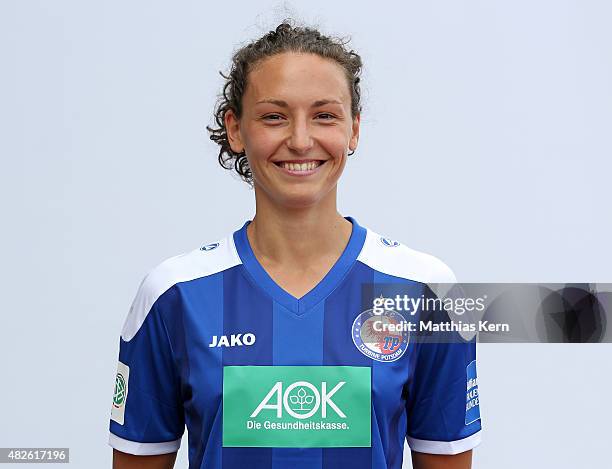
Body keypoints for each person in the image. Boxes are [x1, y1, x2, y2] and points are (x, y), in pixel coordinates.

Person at [108, 20, 481, 469]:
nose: (301, 140)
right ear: (236, 128)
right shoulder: (173, 294)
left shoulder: (429, 290)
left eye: (324, 115)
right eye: (273, 116)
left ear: (353, 129)